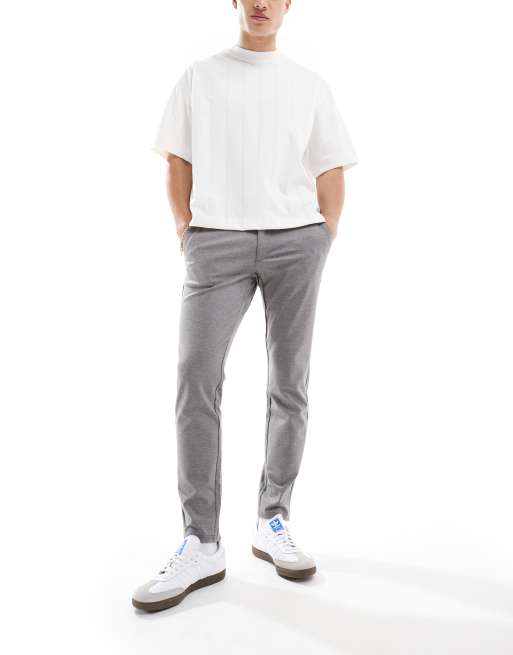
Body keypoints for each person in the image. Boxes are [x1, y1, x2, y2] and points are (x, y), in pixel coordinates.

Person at [132, 0, 358, 612]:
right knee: (195, 379)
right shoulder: (200, 77)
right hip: (217, 242)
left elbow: (331, 165)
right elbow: (178, 159)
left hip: (296, 243)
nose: (261, 3)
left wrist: (323, 235)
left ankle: (273, 518)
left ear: (288, 5)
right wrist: (186, 229)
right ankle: (201, 540)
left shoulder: (309, 85)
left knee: (290, 382)